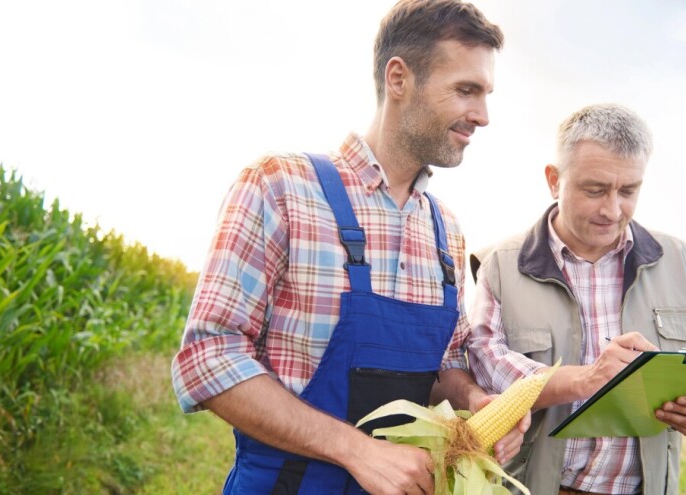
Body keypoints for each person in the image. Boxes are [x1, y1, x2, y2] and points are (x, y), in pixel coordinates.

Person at [170, 2, 522, 494]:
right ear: (398, 79)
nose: (482, 116)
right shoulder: (281, 187)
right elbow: (208, 357)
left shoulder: (446, 229)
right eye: (466, 90)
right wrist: (356, 451)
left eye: (485, 93)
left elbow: (447, 362)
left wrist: (474, 400)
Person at [466, 103, 686, 495]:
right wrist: (586, 380)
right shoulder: (501, 265)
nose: (612, 209)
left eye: (628, 191)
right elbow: (484, 362)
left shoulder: (675, 258)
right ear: (553, 180)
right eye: (595, 190)